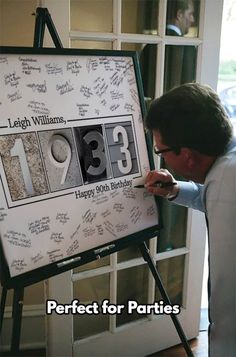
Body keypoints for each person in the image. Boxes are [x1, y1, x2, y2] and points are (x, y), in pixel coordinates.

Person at [145, 82, 236, 356]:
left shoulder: (228, 184)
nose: (161, 158)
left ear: (187, 155)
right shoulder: (225, 167)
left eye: (161, 151)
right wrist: (174, 189)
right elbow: (214, 200)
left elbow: (228, 296)